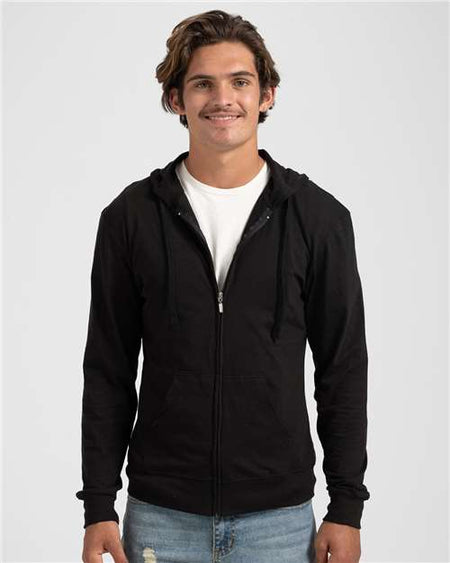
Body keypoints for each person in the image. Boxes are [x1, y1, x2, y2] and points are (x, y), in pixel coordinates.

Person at [76, 9, 370, 563]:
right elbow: (108, 370)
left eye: (240, 81)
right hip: (161, 518)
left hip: (279, 522)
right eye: (202, 84)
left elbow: (343, 370)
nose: (222, 98)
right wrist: (98, 506)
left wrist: (346, 507)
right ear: (176, 100)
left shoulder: (319, 219)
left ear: (267, 95)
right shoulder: (130, 218)